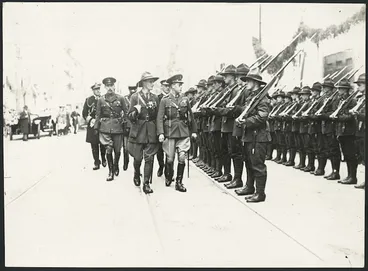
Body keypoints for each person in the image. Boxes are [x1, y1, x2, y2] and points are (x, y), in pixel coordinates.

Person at [157, 74, 197, 192]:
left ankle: (179, 182)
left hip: (183, 131)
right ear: (173, 86)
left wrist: (194, 131)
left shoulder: (185, 99)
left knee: (182, 157)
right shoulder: (165, 101)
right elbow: (159, 118)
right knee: (170, 158)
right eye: (179, 85)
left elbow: (191, 116)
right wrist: (160, 133)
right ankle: (169, 175)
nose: (180, 87)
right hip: (169, 131)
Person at [236, 71, 271, 203]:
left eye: (248, 81)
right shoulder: (252, 97)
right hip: (250, 135)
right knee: (249, 162)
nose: (246, 83)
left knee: (258, 165)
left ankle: (260, 193)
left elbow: (262, 116)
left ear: (255, 83)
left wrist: (245, 121)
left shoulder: (263, 98)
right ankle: (250, 187)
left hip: (259, 136)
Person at [127, 72, 160, 194]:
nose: (152, 84)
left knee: (149, 158)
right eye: (150, 82)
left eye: (152, 81)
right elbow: (129, 116)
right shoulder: (135, 97)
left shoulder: (155, 98)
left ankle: (146, 183)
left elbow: (157, 116)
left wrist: (159, 131)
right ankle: (136, 173)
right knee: (138, 158)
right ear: (144, 83)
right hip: (139, 130)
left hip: (151, 130)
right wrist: (136, 111)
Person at [94, 77, 128, 181]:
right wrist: (96, 127)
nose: (110, 88)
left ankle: (116, 164)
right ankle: (110, 171)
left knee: (117, 150)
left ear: (114, 86)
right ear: (104, 87)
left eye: (111, 85)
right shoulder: (101, 100)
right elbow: (98, 115)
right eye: (107, 86)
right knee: (108, 148)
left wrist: (126, 126)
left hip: (118, 127)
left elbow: (126, 113)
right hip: (105, 128)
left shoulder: (121, 98)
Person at [332, 79, 358, 185]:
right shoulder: (340, 100)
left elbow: (351, 116)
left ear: (346, 90)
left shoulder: (352, 100)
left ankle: (353, 177)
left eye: (341, 89)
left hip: (349, 131)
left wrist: (339, 117)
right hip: (341, 131)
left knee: (351, 154)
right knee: (346, 154)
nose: (339, 91)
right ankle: (349, 175)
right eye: (339, 89)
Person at [82, 83, 106, 170]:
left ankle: (104, 158)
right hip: (92, 124)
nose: (98, 91)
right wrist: (91, 120)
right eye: (96, 89)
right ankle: (96, 162)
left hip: (102, 124)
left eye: (99, 89)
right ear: (93, 90)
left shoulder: (103, 98)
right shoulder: (89, 100)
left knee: (103, 143)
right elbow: (84, 113)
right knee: (94, 144)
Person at [352, 73, 365, 189]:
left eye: (360, 85)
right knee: (363, 156)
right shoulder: (362, 98)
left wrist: (358, 114)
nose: (358, 87)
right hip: (360, 130)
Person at [156, 79, 170, 177]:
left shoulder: (171, 98)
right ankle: (161, 166)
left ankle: (168, 171)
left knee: (169, 150)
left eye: (168, 86)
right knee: (159, 150)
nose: (167, 87)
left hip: (169, 127)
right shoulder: (157, 98)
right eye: (165, 86)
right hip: (160, 126)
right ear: (161, 87)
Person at [122, 85, 138, 171]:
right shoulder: (125, 99)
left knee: (136, 148)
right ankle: (126, 161)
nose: (132, 90)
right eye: (131, 89)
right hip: (126, 127)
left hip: (136, 126)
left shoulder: (138, 98)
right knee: (125, 147)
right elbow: (125, 113)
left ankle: (136, 166)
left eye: (134, 88)